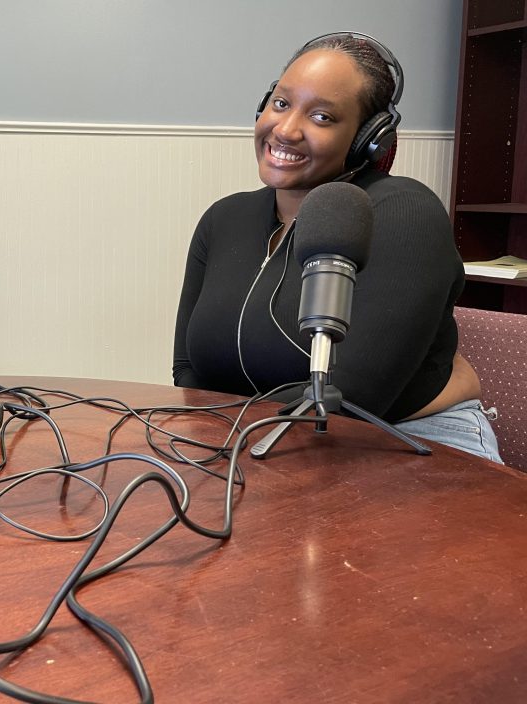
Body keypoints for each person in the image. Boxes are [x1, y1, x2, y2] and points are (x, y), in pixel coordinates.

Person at [172, 32, 502, 463]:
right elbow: (189, 373)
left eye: (323, 117)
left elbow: (350, 398)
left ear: (369, 137)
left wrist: (238, 428)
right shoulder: (223, 220)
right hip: (258, 441)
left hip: (406, 439)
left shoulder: (404, 213)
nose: (286, 130)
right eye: (281, 103)